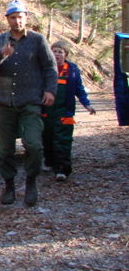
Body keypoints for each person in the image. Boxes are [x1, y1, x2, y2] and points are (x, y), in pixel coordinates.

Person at [0, 0, 57, 206]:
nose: (17, 21)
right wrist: (1, 54)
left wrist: (50, 90)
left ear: (26, 17)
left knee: (33, 144)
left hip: (30, 100)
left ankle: (31, 181)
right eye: (13, 17)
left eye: (20, 17)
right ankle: (9, 185)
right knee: (5, 149)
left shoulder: (37, 40)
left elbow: (50, 67)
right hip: (5, 102)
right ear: (7, 19)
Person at [42, 40, 96, 181]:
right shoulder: (44, 68)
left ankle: (62, 169)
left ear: (65, 54)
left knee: (63, 140)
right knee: (46, 138)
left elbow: (79, 89)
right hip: (46, 111)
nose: (57, 54)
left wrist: (87, 104)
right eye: (54, 51)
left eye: (60, 52)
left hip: (65, 112)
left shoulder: (72, 70)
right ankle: (49, 161)